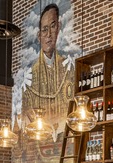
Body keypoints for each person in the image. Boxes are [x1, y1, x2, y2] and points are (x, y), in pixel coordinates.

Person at [22, 3, 74, 142]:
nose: (49, 34)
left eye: (52, 26)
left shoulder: (68, 68)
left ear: (59, 27)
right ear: (39, 36)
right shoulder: (29, 77)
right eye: (44, 30)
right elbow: (26, 118)